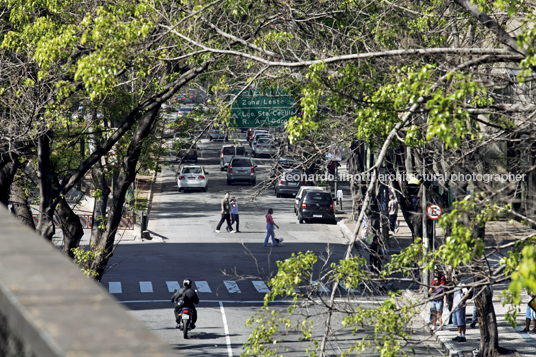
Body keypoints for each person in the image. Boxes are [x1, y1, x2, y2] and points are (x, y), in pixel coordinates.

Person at [451, 274, 469, 342]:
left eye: (456, 278)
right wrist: (453, 306)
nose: (455, 280)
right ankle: (459, 335)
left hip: (460, 306)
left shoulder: (462, 285)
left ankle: (463, 335)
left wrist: (462, 302)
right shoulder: (455, 286)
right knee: (457, 322)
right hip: (455, 306)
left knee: (461, 321)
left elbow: (467, 294)